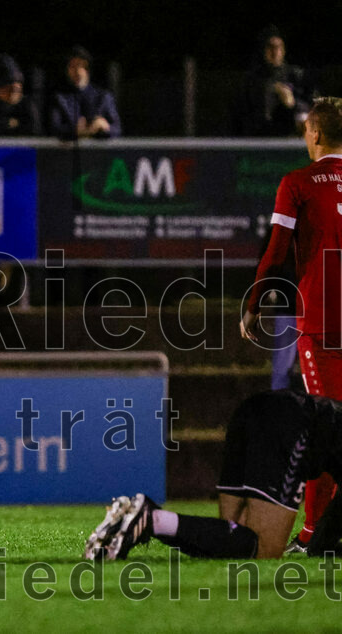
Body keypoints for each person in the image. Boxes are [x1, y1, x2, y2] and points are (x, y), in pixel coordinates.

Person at [241, 96, 342, 553]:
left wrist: (256, 299)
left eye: (306, 130)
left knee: (324, 428)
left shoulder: (298, 182)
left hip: (324, 321)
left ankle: (314, 533)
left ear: (316, 133)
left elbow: (277, 248)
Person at [85, 389, 342, 560]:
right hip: (291, 422)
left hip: (252, 410)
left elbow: (322, 546)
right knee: (265, 550)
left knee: (233, 542)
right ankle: (151, 518)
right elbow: (324, 541)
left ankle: (143, 518)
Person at [235, 26, 312, 137]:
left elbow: (312, 106)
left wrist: (292, 104)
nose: (275, 52)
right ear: (263, 50)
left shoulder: (295, 75)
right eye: (270, 47)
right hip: (258, 141)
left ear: (284, 50)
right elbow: (240, 115)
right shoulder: (251, 80)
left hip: (288, 141)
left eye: (279, 47)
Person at [48, 46, 121, 140]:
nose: (77, 71)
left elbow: (117, 129)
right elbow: (54, 128)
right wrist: (76, 131)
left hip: (98, 153)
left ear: (87, 69)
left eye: (81, 66)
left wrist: (105, 128)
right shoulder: (59, 98)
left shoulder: (103, 97)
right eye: (73, 66)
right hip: (68, 152)